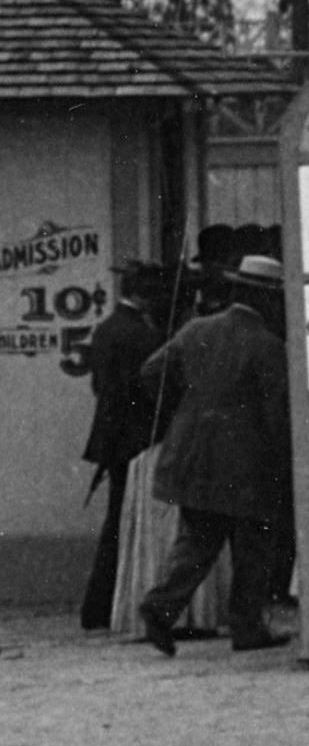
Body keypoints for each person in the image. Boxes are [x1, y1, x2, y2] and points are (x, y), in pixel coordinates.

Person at [134, 252, 291, 656]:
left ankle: (160, 606)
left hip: (191, 453)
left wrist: (186, 407)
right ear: (267, 299)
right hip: (247, 462)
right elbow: (276, 415)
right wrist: (282, 461)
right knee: (254, 547)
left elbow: (152, 371)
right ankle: (246, 626)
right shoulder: (268, 346)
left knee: (197, 542)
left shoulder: (195, 330)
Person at [77, 258, 169, 630]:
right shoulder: (144, 336)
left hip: (114, 439)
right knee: (127, 524)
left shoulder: (107, 328)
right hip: (137, 440)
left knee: (117, 521)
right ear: (146, 297)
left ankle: (99, 609)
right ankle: (108, 608)